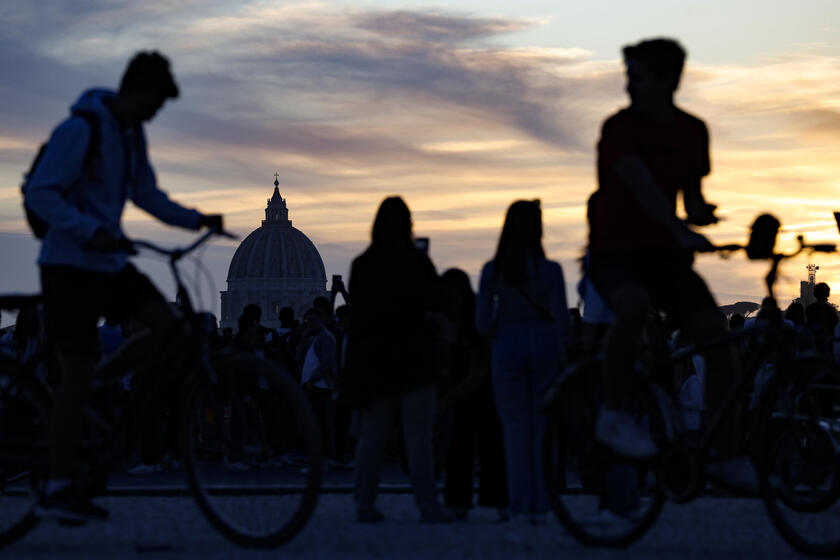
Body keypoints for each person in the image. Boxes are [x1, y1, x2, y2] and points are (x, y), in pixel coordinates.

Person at [25, 51, 223, 522]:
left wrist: (196, 220)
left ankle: (99, 384)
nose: (156, 114)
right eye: (154, 103)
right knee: (73, 370)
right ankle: (56, 485)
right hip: (70, 264)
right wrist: (85, 229)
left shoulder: (131, 137)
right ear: (135, 91)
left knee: (168, 326)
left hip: (109, 263)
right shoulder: (80, 130)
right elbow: (40, 193)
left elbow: (146, 195)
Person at [586, 38, 751, 487]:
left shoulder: (693, 132)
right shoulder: (618, 129)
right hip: (615, 252)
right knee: (634, 306)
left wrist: (705, 217)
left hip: (666, 256)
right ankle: (613, 414)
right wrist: (680, 228)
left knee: (720, 346)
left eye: (636, 77)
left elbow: (691, 198)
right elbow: (642, 186)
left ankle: (724, 454)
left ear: (667, 80)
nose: (627, 85)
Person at [344, 196, 451, 523]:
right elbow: (437, 301)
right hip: (415, 360)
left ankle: (363, 504)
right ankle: (427, 506)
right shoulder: (417, 263)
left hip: (376, 362)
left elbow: (357, 318)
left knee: (372, 438)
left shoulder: (363, 265)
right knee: (418, 439)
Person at [475, 200, 570, 524]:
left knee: (514, 430)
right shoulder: (550, 271)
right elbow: (562, 323)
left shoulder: (493, 270)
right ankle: (541, 503)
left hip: (507, 348)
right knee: (541, 429)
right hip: (543, 348)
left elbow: (483, 323)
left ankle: (519, 502)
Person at [437, 268, 508, 522]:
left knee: (488, 449)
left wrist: (449, 399)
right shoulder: (467, 319)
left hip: (480, 393)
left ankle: (488, 502)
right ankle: (467, 502)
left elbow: (478, 370)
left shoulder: (476, 323)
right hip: (469, 393)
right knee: (463, 450)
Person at [297, 307, 338, 465]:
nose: (309, 324)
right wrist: (303, 338)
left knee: (322, 423)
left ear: (322, 320)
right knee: (315, 423)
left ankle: (325, 457)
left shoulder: (326, 337)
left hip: (319, 386)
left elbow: (327, 363)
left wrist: (312, 380)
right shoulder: (311, 338)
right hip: (312, 386)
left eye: (312, 320)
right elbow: (298, 357)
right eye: (307, 321)